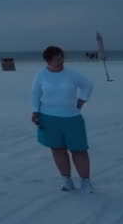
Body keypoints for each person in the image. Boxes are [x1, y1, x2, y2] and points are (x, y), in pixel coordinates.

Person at [31, 45, 94, 193]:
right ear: (48, 61)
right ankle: (67, 181)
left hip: (71, 117)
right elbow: (35, 94)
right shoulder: (41, 75)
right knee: (58, 149)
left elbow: (88, 85)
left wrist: (82, 100)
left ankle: (86, 182)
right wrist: (35, 112)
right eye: (57, 59)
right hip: (48, 117)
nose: (61, 61)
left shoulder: (71, 74)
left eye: (62, 57)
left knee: (79, 150)